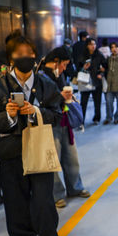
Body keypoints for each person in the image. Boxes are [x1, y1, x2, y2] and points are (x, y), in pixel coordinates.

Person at [0, 36, 65, 236]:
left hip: (39, 149)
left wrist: (35, 111)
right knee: (15, 200)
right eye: (19, 53)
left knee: (44, 201)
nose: (25, 57)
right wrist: (8, 116)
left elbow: (57, 115)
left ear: (35, 55)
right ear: (11, 58)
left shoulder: (46, 83)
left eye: (29, 52)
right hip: (11, 152)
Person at [40, 47, 90, 206]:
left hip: (64, 119)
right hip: (50, 123)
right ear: (56, 61)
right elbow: (41, 101)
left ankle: (75, 187)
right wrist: (59, 96)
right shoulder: (40, 76)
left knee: (71, 157)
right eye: (64, 64)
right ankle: (56, 194)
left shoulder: (59, 75)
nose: (64, 68)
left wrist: (66, 97)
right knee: (53, 160)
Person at [79, 38, 106, 126]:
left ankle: (97, 118)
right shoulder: (82, 55)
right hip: (85, 80)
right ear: (87, 45)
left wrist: (101, 74)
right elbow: (77, 67)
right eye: (91, 44)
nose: (93, 46)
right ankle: (81, 120)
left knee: (97, 101)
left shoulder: (99, 55)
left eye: (94, 44)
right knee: (83, 102)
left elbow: (105, 66)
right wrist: (83, 68)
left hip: (96, 80)